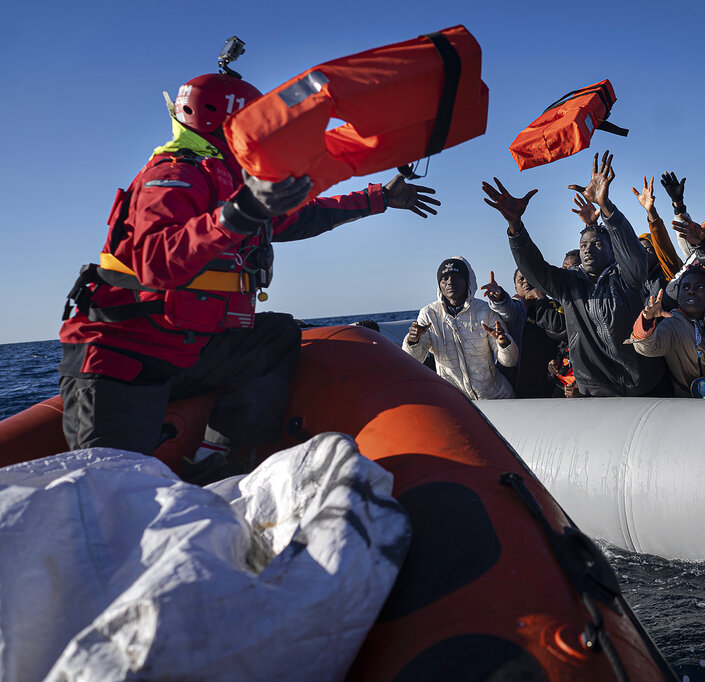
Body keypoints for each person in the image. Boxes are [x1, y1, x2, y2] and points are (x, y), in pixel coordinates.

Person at [59, 62, 439, 483]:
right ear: (225, 124)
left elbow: (302, 218)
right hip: (127, 354)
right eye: (256, 126)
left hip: (189, 348)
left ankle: (218, 461)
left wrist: (378, 198)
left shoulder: (232, 183)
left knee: (275, 337)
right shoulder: (175, 173)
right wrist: (238, 214)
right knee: (111, 493)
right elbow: (155, 259)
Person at [482, 151, 665, 397]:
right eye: (584, 246)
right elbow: (535, 269)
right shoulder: (568, 285)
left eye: (598, 244)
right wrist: (516, 226)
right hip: (596, 390)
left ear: (612, 250)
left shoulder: (627, 278)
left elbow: (633, 256)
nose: (588, 250)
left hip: (645, 384)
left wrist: (605, 205)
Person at [403, 257, 519, 400]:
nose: (450, 282)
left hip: (496, 398)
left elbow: (510, 361)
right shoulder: (429, 314)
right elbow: (413, 359)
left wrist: (504, 343)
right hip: (456, 403)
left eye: (456, 276)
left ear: (467, 281)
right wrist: (413, 341)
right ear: (439, 284)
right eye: (444, 278)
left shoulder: (485, 311)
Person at [628, 267, 705, 398]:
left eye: (699, 287)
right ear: (678, 298)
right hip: (688, 401)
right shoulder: (672, 323)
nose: (691, 291)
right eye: (685, 288)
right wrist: (647, 320)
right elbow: (649, 347)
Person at [480, 269, 566, 398]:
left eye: (529, 277)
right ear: (515, 287)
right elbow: (505, 308)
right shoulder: (516, 308)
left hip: (548, 381)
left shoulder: (553, 306)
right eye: (521, 279)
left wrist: (541, 297)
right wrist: (499, 297)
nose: (526, 281)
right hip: (516, 381)